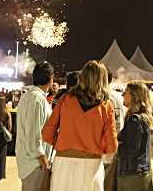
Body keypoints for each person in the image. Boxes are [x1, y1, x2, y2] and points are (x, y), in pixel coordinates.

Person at [42, 60, 117, 191]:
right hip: (91, 165)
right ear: (102, 80)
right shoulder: (106, 106)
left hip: (63, 163)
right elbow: (112, 146)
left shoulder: (65, 99)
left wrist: (63, 141)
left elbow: (47, 133)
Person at [16, 61, 55, 191]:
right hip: (35, 163)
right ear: (50, 79)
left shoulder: (29, 96)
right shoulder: (36, 99)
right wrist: (42, 157)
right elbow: (33, 132)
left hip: (33, 160)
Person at [117, 82, 153, 191]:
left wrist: (116, 145)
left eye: (125, 93)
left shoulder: (134, 119)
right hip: (139, 171)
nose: (123, 95)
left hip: (132, 173)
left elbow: (130, 151)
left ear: (134, 96)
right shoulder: (142, 117)